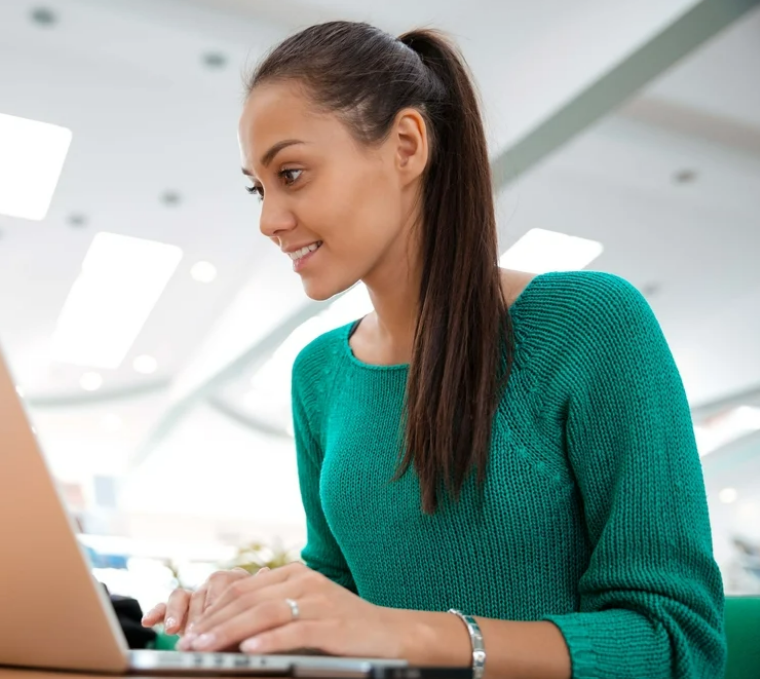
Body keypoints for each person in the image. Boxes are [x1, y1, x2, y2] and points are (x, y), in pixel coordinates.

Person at [141, 21, 725, 679]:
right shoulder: (319, 374)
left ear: (407, 146)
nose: (268, 218)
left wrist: (408, 633)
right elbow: (343, 591)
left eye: (292, 173)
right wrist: (250, 615)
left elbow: (677, 644)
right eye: (259, 186)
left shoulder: (590, 326)